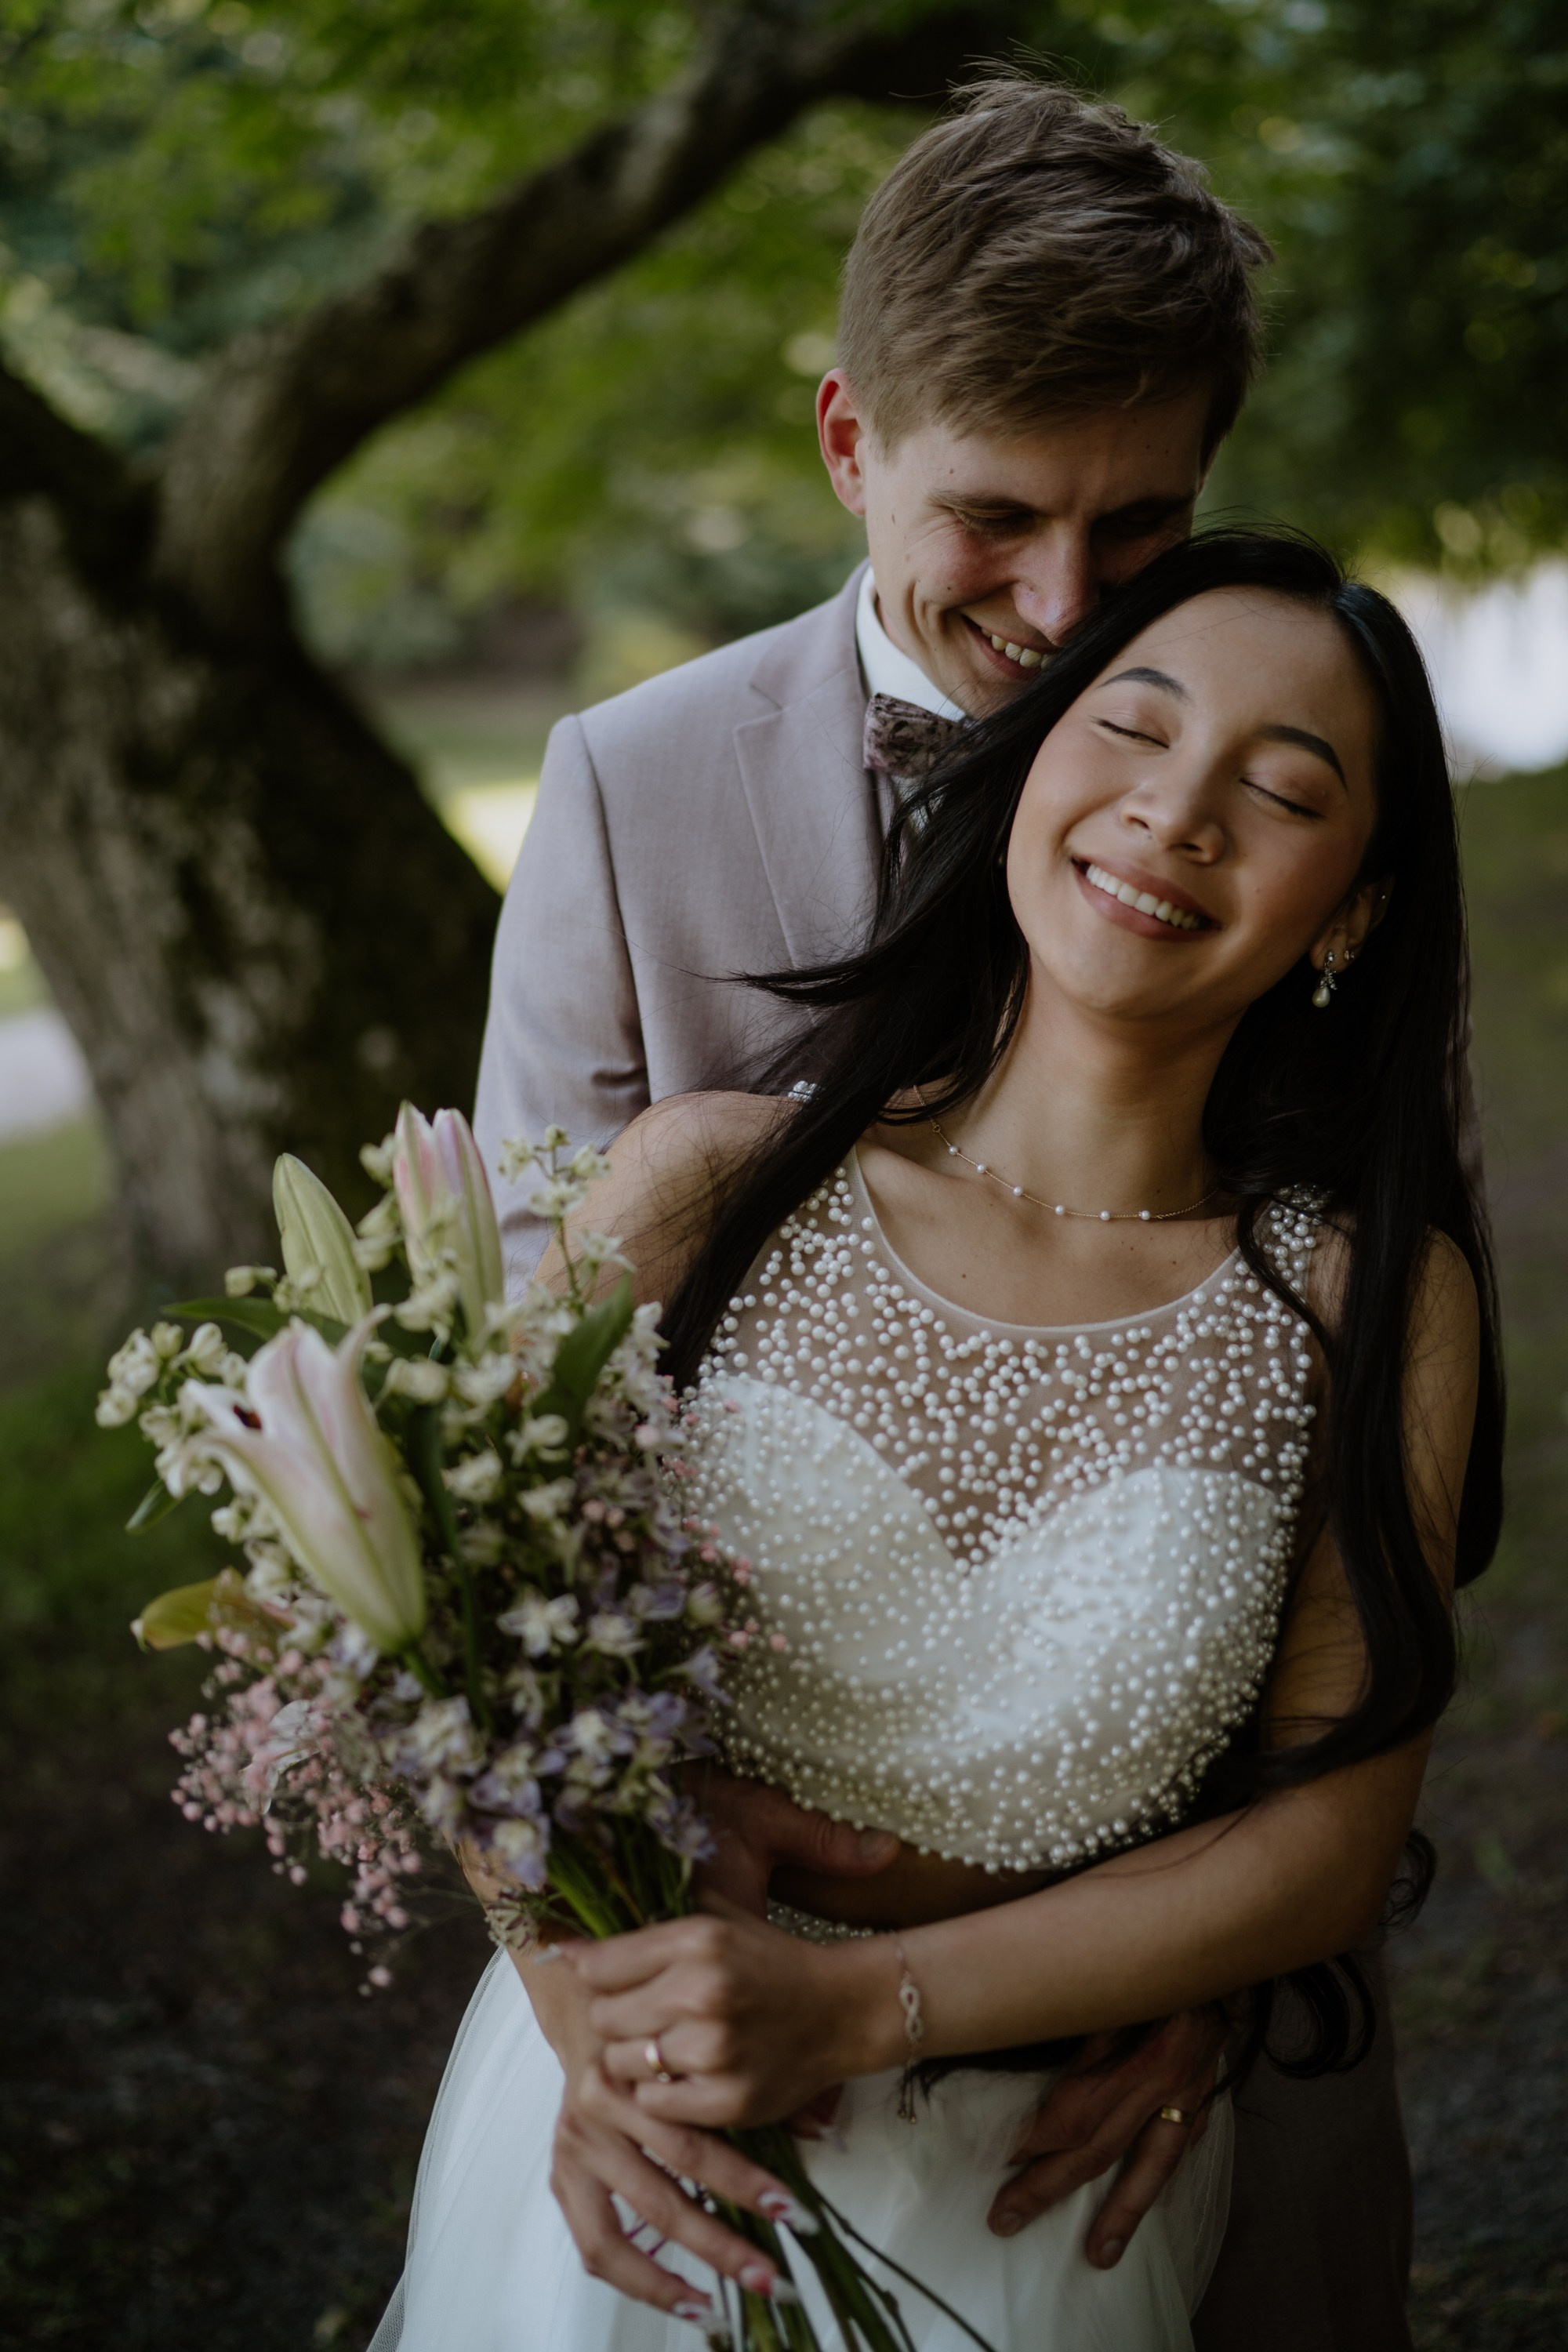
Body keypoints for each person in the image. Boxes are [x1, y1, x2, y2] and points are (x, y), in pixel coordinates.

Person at [470, 82, 1435, 2343]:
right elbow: (476, 1515)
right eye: (996, 516)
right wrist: (596, 1993)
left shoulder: (1299, 829)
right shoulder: (631, 797)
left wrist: (1179, 1933)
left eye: (1147, 523)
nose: (1070, 609)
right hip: (697, 1996)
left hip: (1153, 2053)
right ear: (845, 444)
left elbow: (1383, 1487)